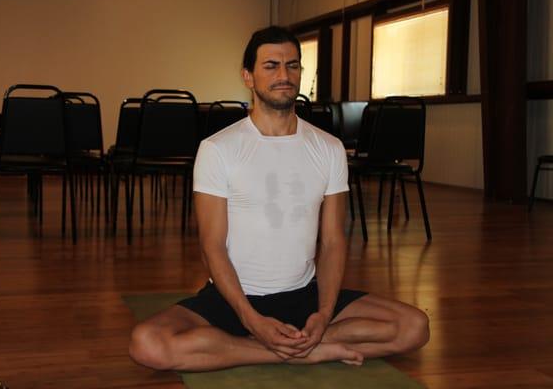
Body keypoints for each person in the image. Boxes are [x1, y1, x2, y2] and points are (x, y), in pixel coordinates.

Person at [129, 26, 429, 372]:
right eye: (271, 66)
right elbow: (211, 246)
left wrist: (324, 313)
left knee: (414, 327)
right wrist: (252, 319)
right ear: (248, 76)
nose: (284, 75)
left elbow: (332, 242)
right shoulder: (218, 149)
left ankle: (278, 344)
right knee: (147, 343)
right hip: (236, 298)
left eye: (293, 65)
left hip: (306, 295)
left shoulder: (328, 148)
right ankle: (300, 349)